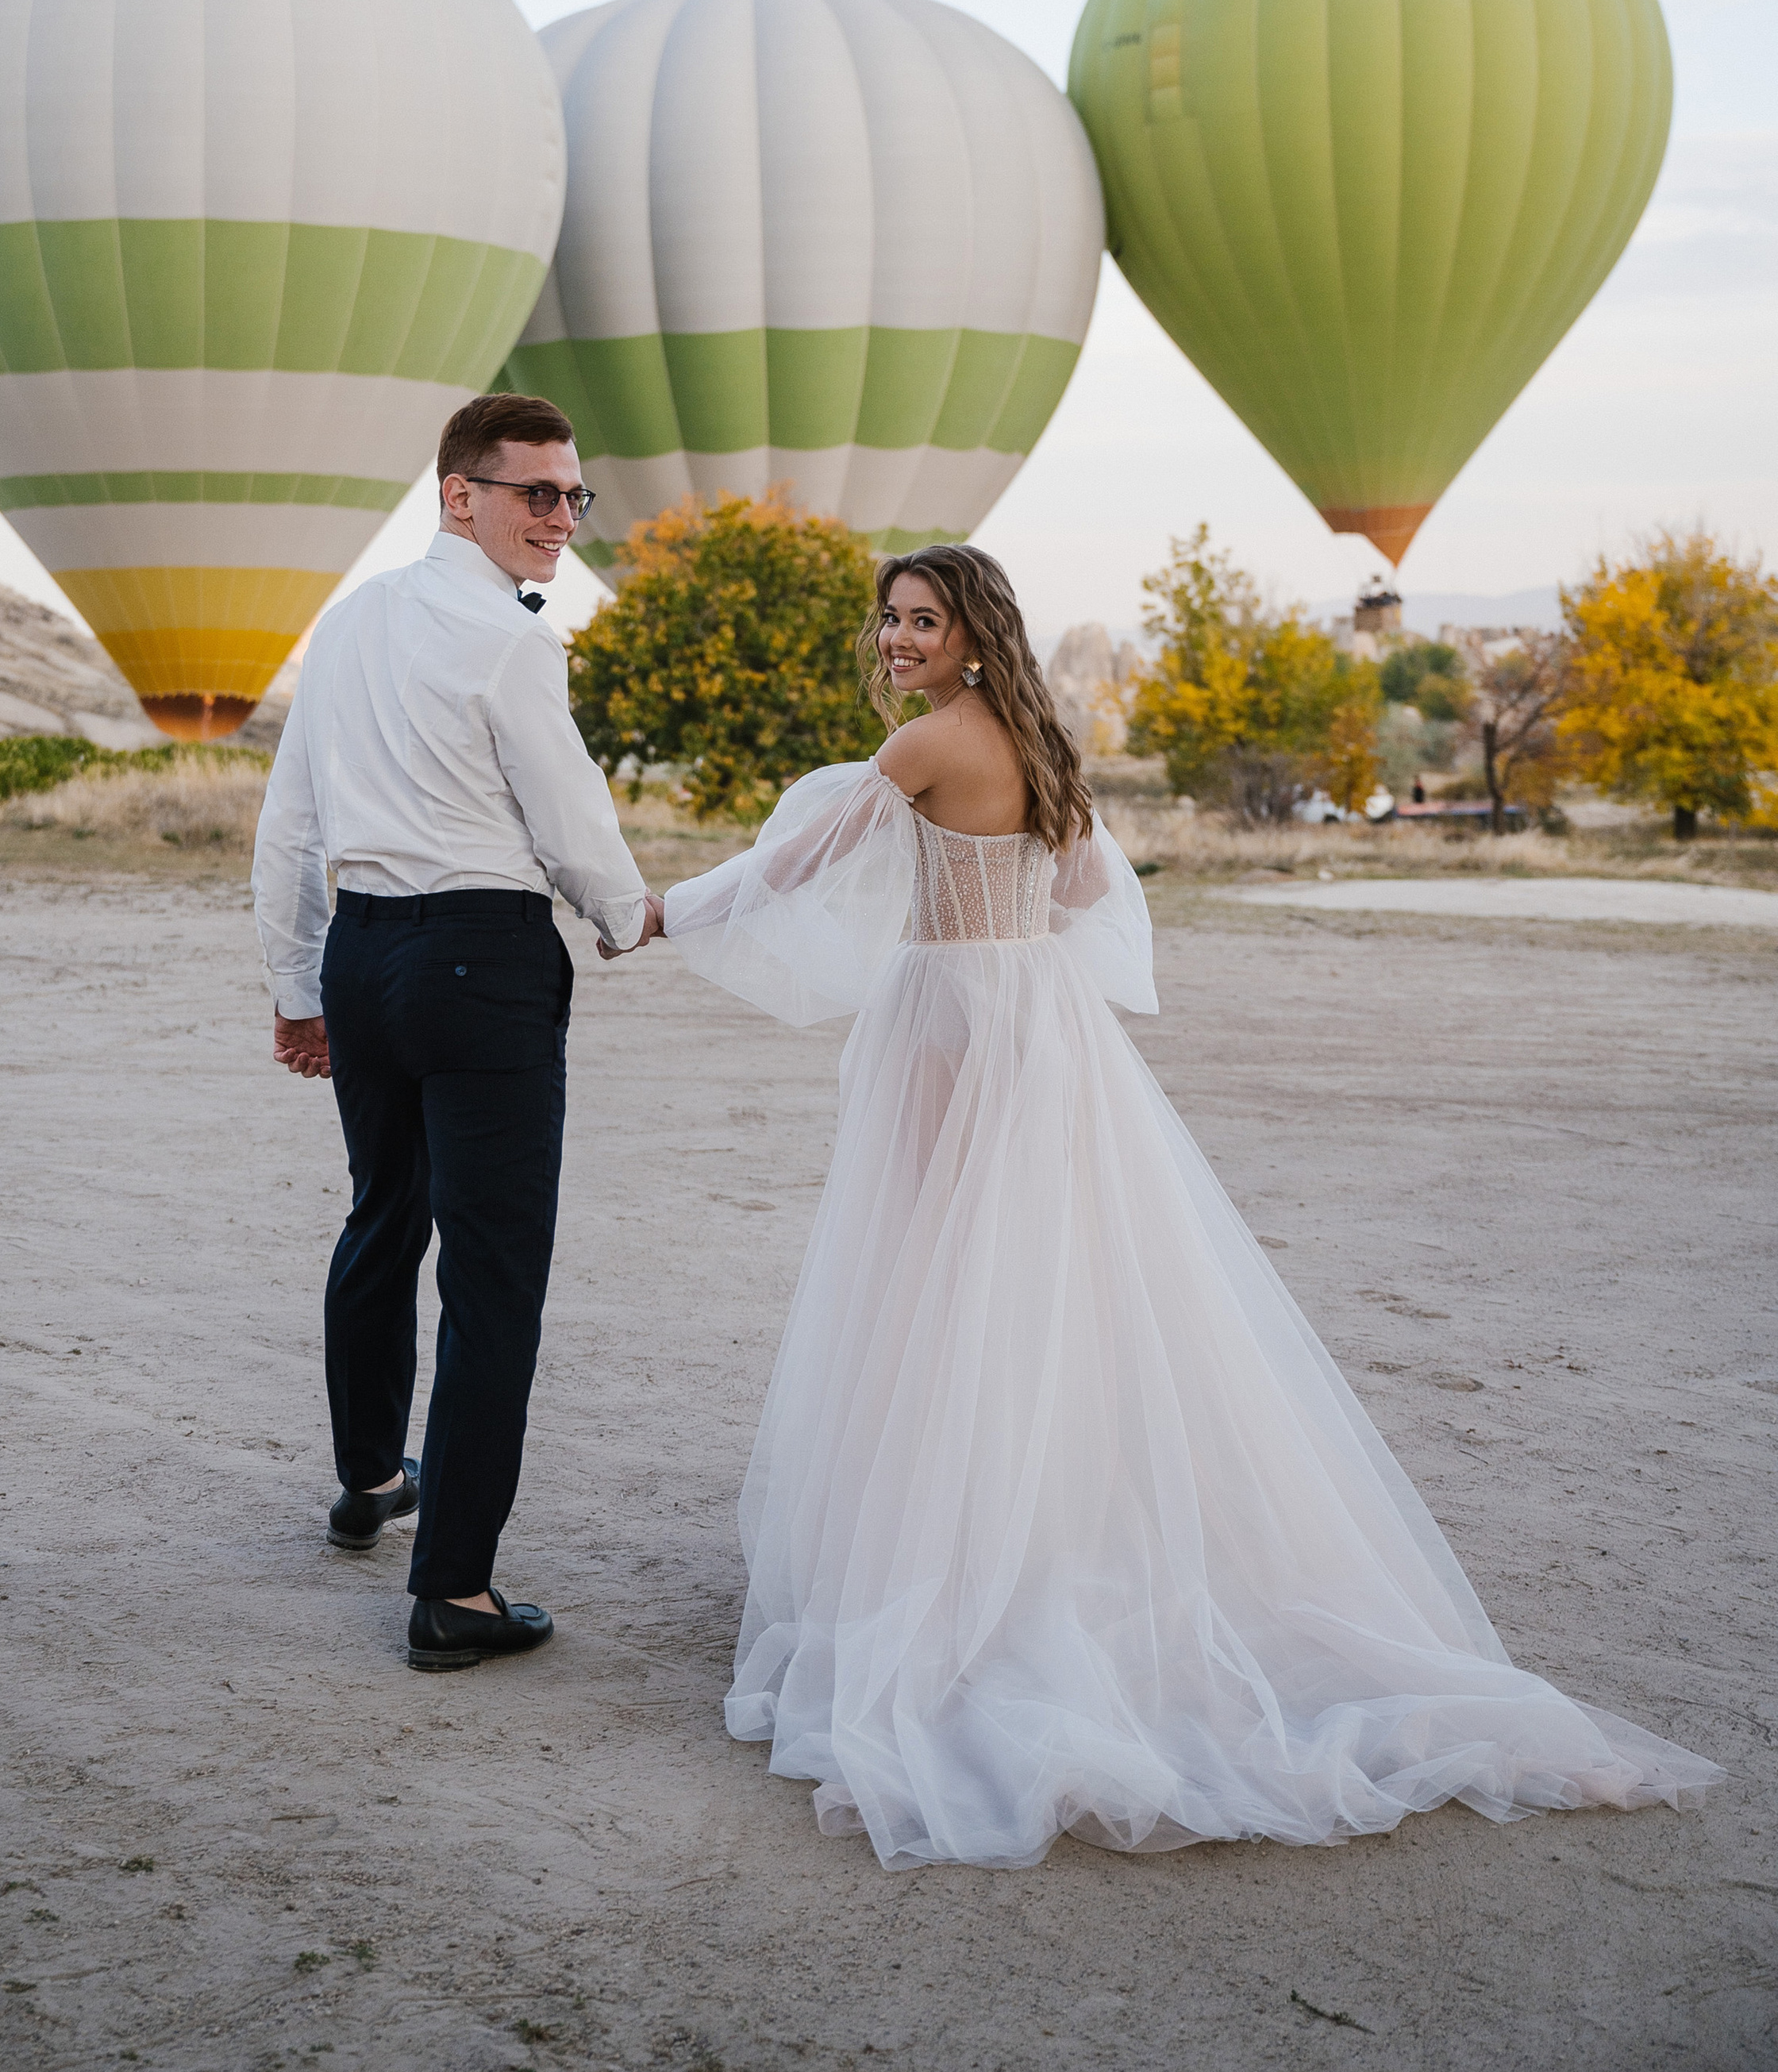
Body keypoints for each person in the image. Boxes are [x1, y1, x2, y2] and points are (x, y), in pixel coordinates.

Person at [656, 544, 1719, 1872]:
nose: (898, 641)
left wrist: (666, 912)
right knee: (1044, 1286)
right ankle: (1045, 1541)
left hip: (953, 1021)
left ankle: (956, 1575)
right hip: (1043, 1021)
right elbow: (1087, 889)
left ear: (974, 635)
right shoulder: (1038, 740)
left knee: (938, 1283)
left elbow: (798, 862)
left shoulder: (924, 744)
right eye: (891, 621)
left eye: (922, 621)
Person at [253, 393, 663, 1673]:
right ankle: (455, 1593)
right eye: (536, 492)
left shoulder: (351, 619)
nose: (562, 517)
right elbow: (570, 814)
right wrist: (626, 914)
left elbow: (292, 821)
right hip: (480, 957)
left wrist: (300, 983)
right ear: (458, 495)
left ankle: (373, 1478)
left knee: (383, 1216)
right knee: (492, 1276)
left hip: (365, 953)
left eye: (573, 494)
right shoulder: (511, 641)